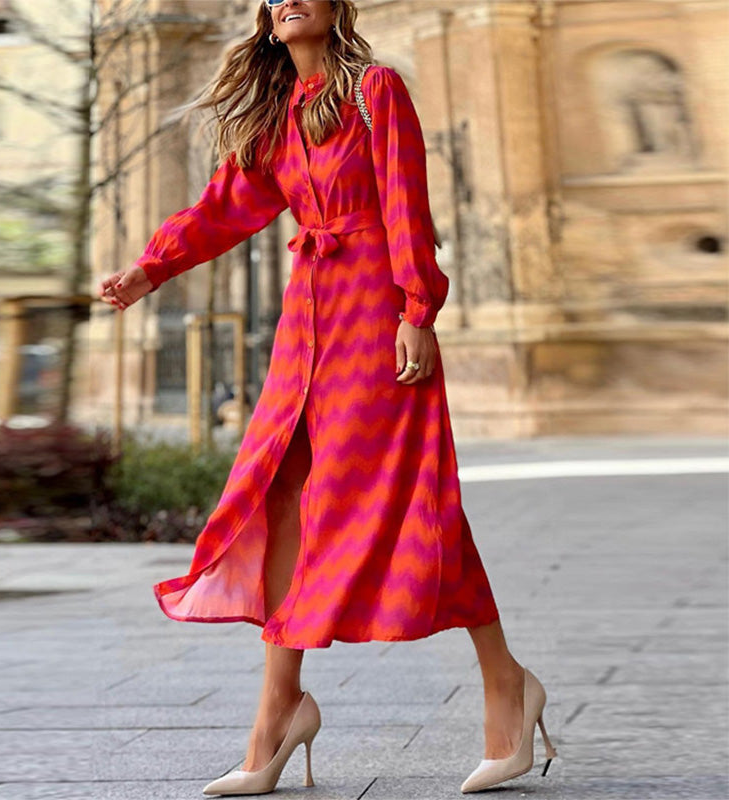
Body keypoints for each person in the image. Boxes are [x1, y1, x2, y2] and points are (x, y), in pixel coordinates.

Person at [97, 0, 557, 795]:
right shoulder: (278, 114)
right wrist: (152, 267)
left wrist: (417, 310)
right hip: (305, 324)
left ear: (339, 6)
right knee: (275, 496)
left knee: (417, 506)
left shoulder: (376, 91)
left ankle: (505, 683)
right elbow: (224, 205)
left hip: (375, 318)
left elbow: (406, 203)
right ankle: (281, 707)